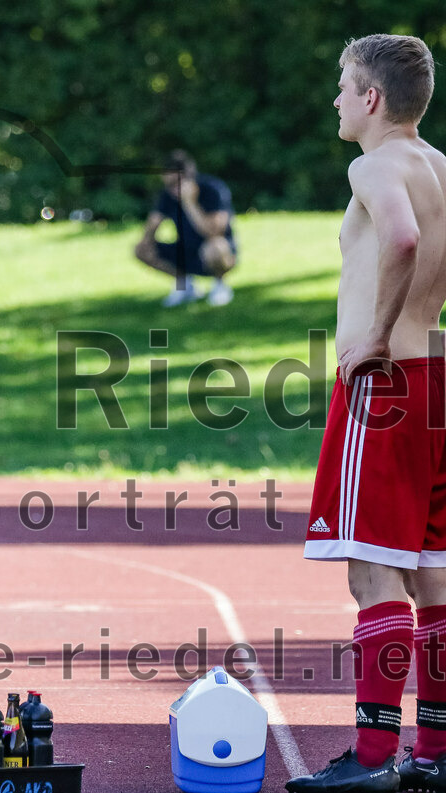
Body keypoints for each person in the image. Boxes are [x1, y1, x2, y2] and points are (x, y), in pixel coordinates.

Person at [286, 34, 446, 793]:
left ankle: (375, 760)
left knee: (372, 573)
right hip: (438, 379)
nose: (336, 100)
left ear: (372, 99)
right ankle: (437, 754)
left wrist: (378, 334)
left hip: (386, 387)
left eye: (344, 86)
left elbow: (404, 237)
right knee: (434, 575)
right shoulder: (440, 166)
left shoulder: (373, 164)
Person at [133, 150, 237, 307]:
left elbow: (214, 232)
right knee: (141, 249)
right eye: (169, 184)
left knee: (216, 246)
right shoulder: (168, 195)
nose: (173, 189)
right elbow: (154, 221)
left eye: (177, 183)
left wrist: (190, 203)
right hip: (186, 249)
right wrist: (148, 237)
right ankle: (185, 285)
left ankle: (220, 286)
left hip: (215, 250)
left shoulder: (212, 189)